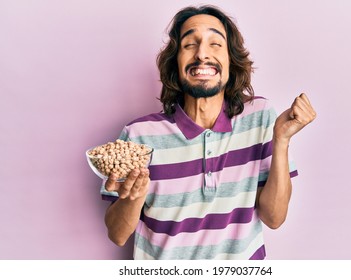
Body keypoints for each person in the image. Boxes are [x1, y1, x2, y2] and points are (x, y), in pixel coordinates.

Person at [101, 5, 316, 260]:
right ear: (175, 62)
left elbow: (274, 217)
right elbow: (117, 234)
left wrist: (281, 141)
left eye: (215, 44)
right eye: (190, 44)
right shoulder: (139, 136)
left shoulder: (259, 118)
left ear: (230, 61)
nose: (202, 54)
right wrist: (133, 198)